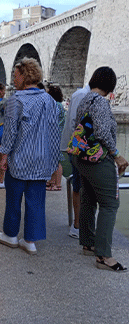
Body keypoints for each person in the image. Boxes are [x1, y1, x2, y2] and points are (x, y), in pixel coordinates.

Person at [0, 58, 60, 255]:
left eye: (16, 76)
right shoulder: (49, 100)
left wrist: (4, 156)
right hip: (41, 160)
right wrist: (54, 161)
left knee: (14, 198)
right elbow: (54, 132)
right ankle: (30, 240)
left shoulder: (16, 100)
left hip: (20, 158)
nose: (14, 81)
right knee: (36, 201)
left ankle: (11, 235)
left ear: (24, 76)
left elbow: (10, 132)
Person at [72, 66, 128, 271]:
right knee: (110, 204)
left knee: (89, 198)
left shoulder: (84, 99)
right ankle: (104, 256)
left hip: (81, 158)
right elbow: (103, 133)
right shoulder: (102, 103)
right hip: (97, 159)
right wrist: (117, 155)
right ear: (110, 84)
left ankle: (88, 243)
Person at [60, 83, 90, 238]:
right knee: (78, 185)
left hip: (81, 149)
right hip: (79, 150)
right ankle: (77, 225)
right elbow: (74, 125)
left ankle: (82, 224)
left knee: (82, 185)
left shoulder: (83, 95)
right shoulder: (81, 95)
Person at [46, 85, 65, 191]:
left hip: (55, 135)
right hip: (58, 135)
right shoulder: (59, 105)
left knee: (56, 160)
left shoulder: (55, 105)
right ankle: (54, 182)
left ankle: (56, 184)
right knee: (55, 160)